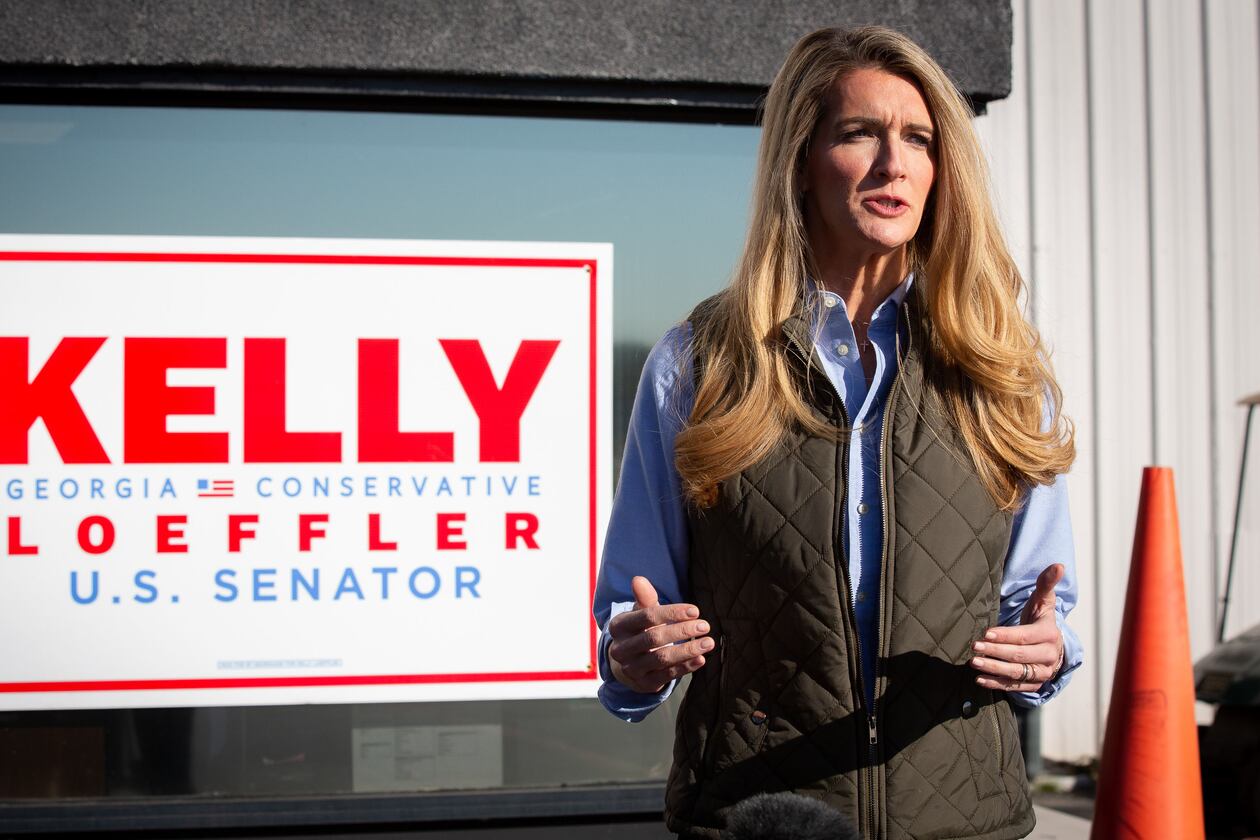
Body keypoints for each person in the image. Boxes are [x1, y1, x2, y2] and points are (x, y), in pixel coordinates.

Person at [593, 25, 1081, 840]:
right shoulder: (700, 363)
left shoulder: (999, 370)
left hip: (963, 822)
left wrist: (1046, 652)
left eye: (919, 140)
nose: (895, 164)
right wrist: (632, 657)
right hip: (760, 820)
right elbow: (627, 619)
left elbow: (1043, 611)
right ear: (802, 158)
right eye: (860, 134)